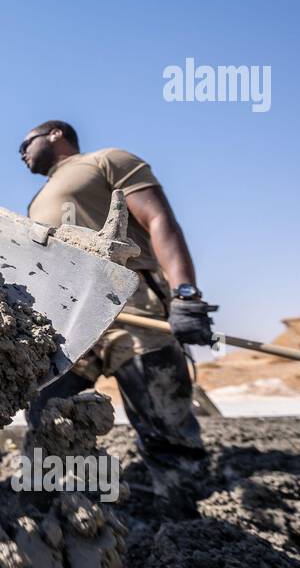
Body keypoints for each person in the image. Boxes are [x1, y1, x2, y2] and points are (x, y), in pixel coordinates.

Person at [19, 120, 216, 515]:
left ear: (56, 134)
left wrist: (186, 293)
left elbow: (158, 219)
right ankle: (50, 517)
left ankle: (187, 528)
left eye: (25, 143)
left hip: (134, 312)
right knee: (46, 411)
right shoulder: (36, 201)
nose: (21, 154)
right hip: (74, 327)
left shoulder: (106, 161)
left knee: (164, 423)